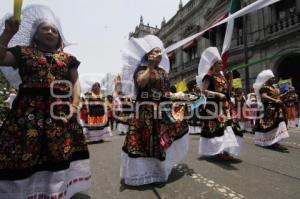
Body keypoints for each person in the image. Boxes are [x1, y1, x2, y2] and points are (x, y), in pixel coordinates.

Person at [0, 5, 91, 198]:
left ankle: (56, 192)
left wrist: (74, 105)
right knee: (24, 155)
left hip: (60, 111)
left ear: (59, 37)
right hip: (28, 113)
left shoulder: (67, 59)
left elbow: (75, 82)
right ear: (35, 34)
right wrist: (7, 34)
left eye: (54, 30)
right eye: (45, 29)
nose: (50, 32)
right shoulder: (21, 52)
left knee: (59, 153)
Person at [120, 35, 189, 186]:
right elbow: (141, 83)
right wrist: (150, 67)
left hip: (161, 111)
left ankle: (158, 170)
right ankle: (140, 174)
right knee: (143, 142)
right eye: (154, 52)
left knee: (160, 141)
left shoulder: (164, 73)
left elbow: (165, 92)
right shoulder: (142, 69)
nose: (157, 55)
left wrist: (179, 96)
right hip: (144, 112)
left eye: (159, 52)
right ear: (148, 54)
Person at [196, 47, 243, 161]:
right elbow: (204, 91)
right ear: (213, 64)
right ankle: (220, 152)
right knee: (219, 129)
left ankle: (224, 152)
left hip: (226, 106)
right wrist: (218, 95)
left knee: (229, 128)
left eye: (222, 63)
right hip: (214, 106)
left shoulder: (222, 77)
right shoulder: (209, 76)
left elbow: (228, 91)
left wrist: (231, 79)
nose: (221, 65)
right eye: (219, 63)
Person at [253, 70, 289, 151]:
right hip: (269, 110)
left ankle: (274, 142)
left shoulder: (275, 88)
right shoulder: (264, 87)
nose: (274, 79)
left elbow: (278, 97)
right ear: (267, 79)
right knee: (272, 125)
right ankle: (272, 142)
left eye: (274, 78)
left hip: (277, 109)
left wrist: (287, 93)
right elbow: (264, 96)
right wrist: (274, 100)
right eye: (272, 78)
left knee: (279, 124)